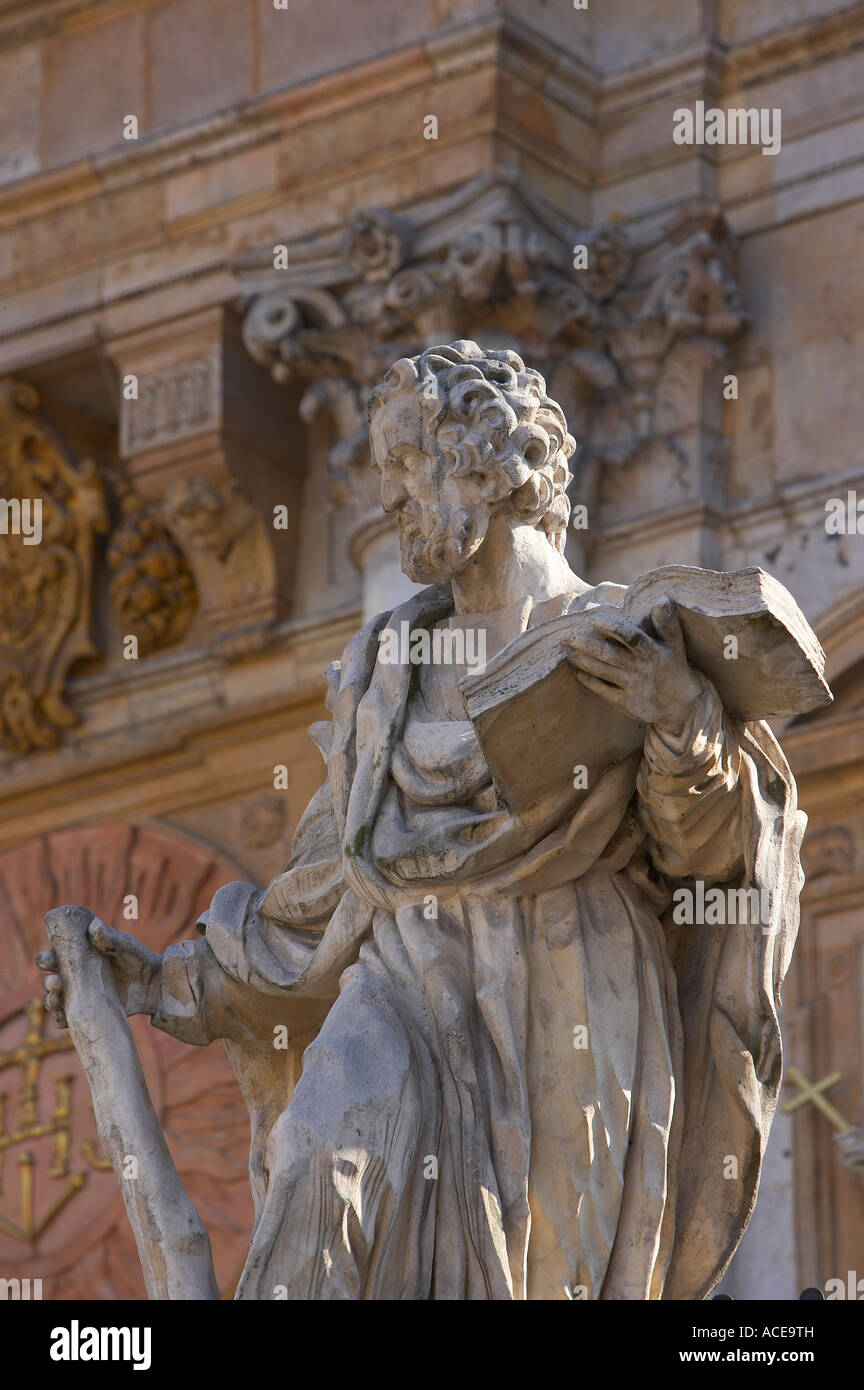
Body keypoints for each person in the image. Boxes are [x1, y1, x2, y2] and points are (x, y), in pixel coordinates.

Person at [38, 341, 805, 1300]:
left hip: (573, 993)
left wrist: (681, 718)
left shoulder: (622, 640)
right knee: (321, 1154)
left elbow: (716, 867)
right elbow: (322, 887)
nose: (387, 498)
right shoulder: (385, 664)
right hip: (401, 980)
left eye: (407, 465)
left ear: (495, 464)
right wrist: (170, 980)